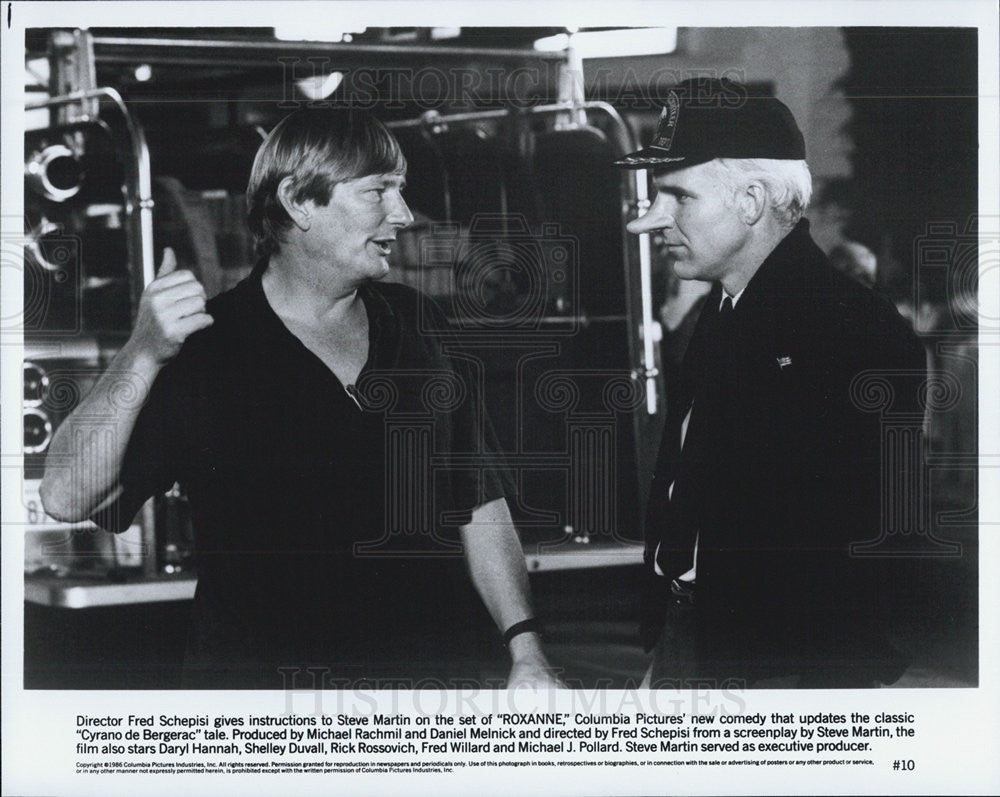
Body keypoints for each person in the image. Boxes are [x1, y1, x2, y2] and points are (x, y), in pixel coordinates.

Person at [40, 107, 557, 689]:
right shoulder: (209, 347)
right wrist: (141, 351)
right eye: (378, 192)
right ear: (298, 201)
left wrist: (525, 647)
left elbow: (479, 503)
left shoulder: (417, 323)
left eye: (401, 191)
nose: (404, 215)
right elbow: (64, 495)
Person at [616, 78, 927, 688]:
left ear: (752, 200)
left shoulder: (849, 329)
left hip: (776, 668)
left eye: (678, 196)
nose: (649, 223)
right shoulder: (730, 307)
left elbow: (871, 547)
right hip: (695, 642)